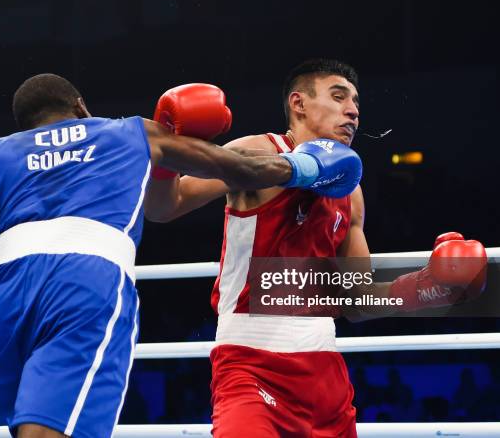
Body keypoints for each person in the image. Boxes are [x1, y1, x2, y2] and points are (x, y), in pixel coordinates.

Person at [0, 73, 363, 438]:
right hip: (85, 284)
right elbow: (232, 167)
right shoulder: (126, 133)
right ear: (81, 108)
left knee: (27, 419)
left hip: (5, 291)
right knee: (57, 425)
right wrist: (301, 167)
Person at [144, 59, 487, 437]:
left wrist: (431, 288)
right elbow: (164, 206)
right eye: (339, 97)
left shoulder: (351, 193)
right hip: (249, 365)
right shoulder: (257, 151)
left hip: (324, 374)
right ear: (299, 103)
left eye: (356, 103)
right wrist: (169, 145)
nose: (353, 111)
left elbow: (358, 302)